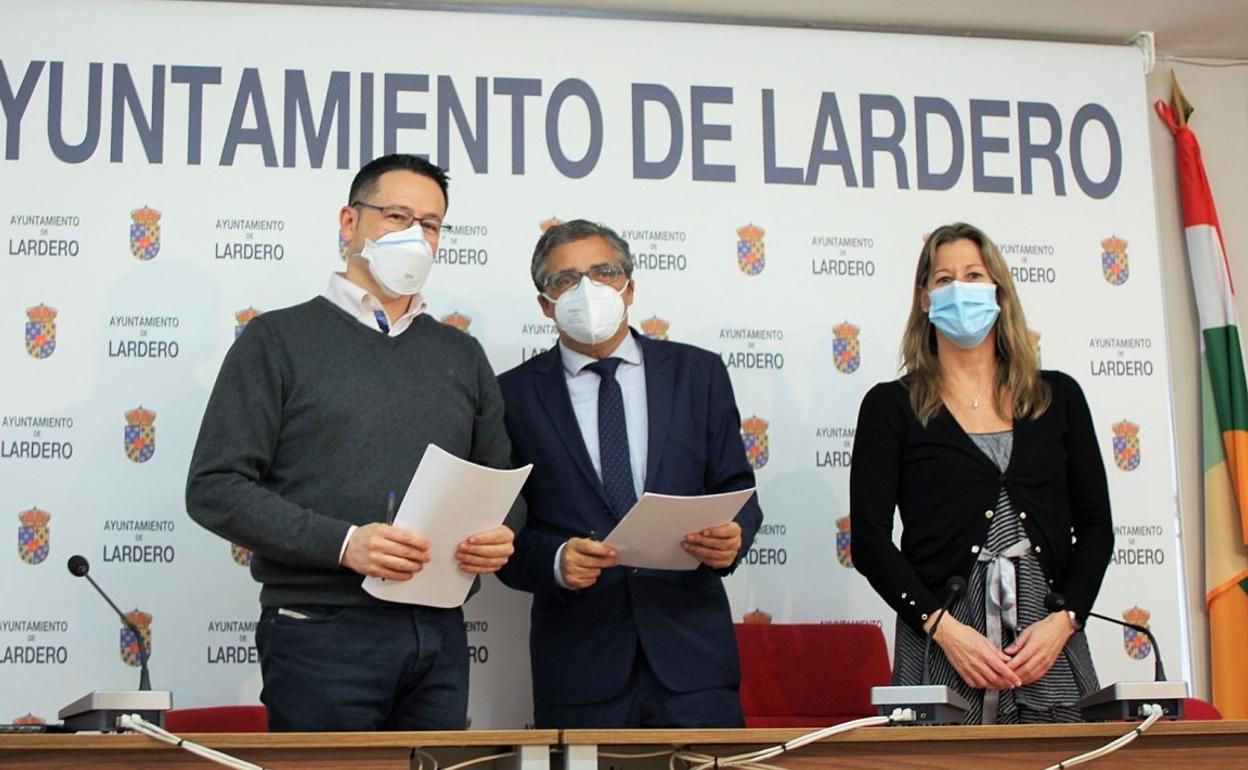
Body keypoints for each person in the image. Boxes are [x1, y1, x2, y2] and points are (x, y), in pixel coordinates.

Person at [185, 154, 521, 732]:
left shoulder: (461, 355)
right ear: (349, 223)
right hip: (320, 629)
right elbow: (215, 487)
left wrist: (501, 533)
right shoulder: (277, 340)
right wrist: (344, 544)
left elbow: (503, 485)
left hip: (438, 633)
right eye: (396, 216)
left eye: (431, 224)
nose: (415, 235)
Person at [495, 219, 763, 728]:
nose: (587, 290)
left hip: (694, 664)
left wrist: (734, 536)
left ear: (630, 287)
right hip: (578, 667)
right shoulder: (511, 396)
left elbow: (738, 489)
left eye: (603, 272)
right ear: (545, 304)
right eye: (565, 280)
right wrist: (553, 560)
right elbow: (500, 533)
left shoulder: (697, 374)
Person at [849, 222, 1113, 724]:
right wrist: (943, 628)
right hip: (943, 649)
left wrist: (1066, 620)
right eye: (944, 279)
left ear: (998, 290)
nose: (960, 289)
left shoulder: (1059, 399)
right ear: (924, 299)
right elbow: (869, 542)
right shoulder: (891, 406)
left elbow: (1097, 527)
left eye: (973, 274)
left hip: (1046, 649)